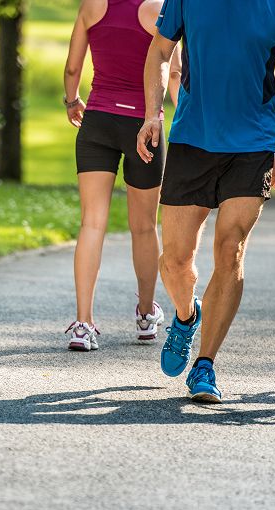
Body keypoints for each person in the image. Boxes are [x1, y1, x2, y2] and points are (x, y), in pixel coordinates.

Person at [137, 0, 275, 403]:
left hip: (253, 144)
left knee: (230, 247)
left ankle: (205, 364)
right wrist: (154, 114)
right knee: (175, 260)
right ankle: (187, 316)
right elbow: (160, 50)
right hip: (192, 139)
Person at [61, 0, 180, 351]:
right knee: (143, 226)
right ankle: (146, 316)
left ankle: (83, 324)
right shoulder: (161, 10)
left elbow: (72, 69)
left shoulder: (92, 6)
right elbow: (174, 74)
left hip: (97, 122)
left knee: (91, 224)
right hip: (145, 126)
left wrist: (72, 101)